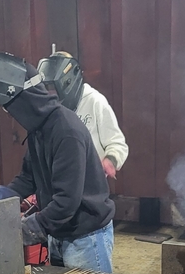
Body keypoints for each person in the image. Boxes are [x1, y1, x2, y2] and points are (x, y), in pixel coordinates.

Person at [0, 52, 116, 273]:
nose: (8, 114)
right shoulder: (39, 129)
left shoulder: (66, 132)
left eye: (7, 107)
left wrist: (26, 228)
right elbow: (28, 176)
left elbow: (67, 201)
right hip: (59, 232)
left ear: (22, 101)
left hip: (86, 238)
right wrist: (4, 200)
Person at [38, 51, 129, 179]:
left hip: (91, 183)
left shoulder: (95, 101)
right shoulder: (47, 107)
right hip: (60, 182)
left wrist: (110, 160)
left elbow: (117, 143)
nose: (51, 94)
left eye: (53, 88)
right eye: (46, 88)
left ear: (68, 82)